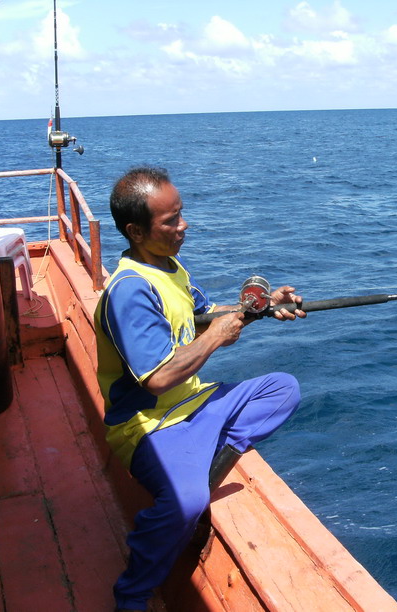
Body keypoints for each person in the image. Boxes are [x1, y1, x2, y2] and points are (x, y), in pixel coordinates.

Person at [94, 166, 306, 611]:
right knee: (187, 502)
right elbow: (157, 379)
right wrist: (214, 339)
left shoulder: (170, 268)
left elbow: (208, 313)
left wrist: (262, 308)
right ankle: (131, 595)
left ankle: (201, 456)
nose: (183, 226)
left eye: (181, 215)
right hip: (148, 425)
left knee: (282, 389)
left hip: (193, 403)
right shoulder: (129, 291)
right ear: (135, 231)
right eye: (170, 221)